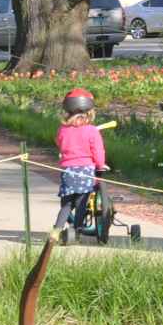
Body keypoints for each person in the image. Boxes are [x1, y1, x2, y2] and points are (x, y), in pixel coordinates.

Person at [52, 87, 108, 242]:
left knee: (66, 205)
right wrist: (100, 165)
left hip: (68, 171)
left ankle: (56, 231)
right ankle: (76, 231)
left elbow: (59, 143)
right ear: (90, 112)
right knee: (81, 203)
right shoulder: (92, 130)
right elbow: (98, 151)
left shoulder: (63, 130)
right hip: (86, 171)